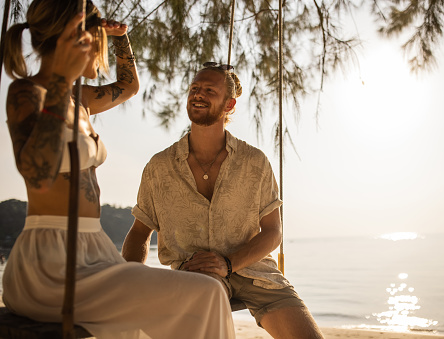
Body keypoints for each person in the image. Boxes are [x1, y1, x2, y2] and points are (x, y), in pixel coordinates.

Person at [2, 1, 235, 338]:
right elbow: (36, 174)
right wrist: (61, 81)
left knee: (201, 297)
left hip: (94, 252)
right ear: (74, 40)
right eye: (96, 41)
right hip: (50, 262)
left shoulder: (78, 99)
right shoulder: (29, 94)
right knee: (207, 293)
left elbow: (129, 86)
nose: (101, 55)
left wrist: (121, 38)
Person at [122, 62, 325, 339]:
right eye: (194, 88)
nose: (198, 94)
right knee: (208, 301)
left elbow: (273, 232)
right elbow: (139, 233)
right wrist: (131, 280)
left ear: (229, 104)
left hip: (257, 273)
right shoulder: (159, 167)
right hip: (197, 277)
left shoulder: (255, 162)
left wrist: (228, 264)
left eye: (209, 90)